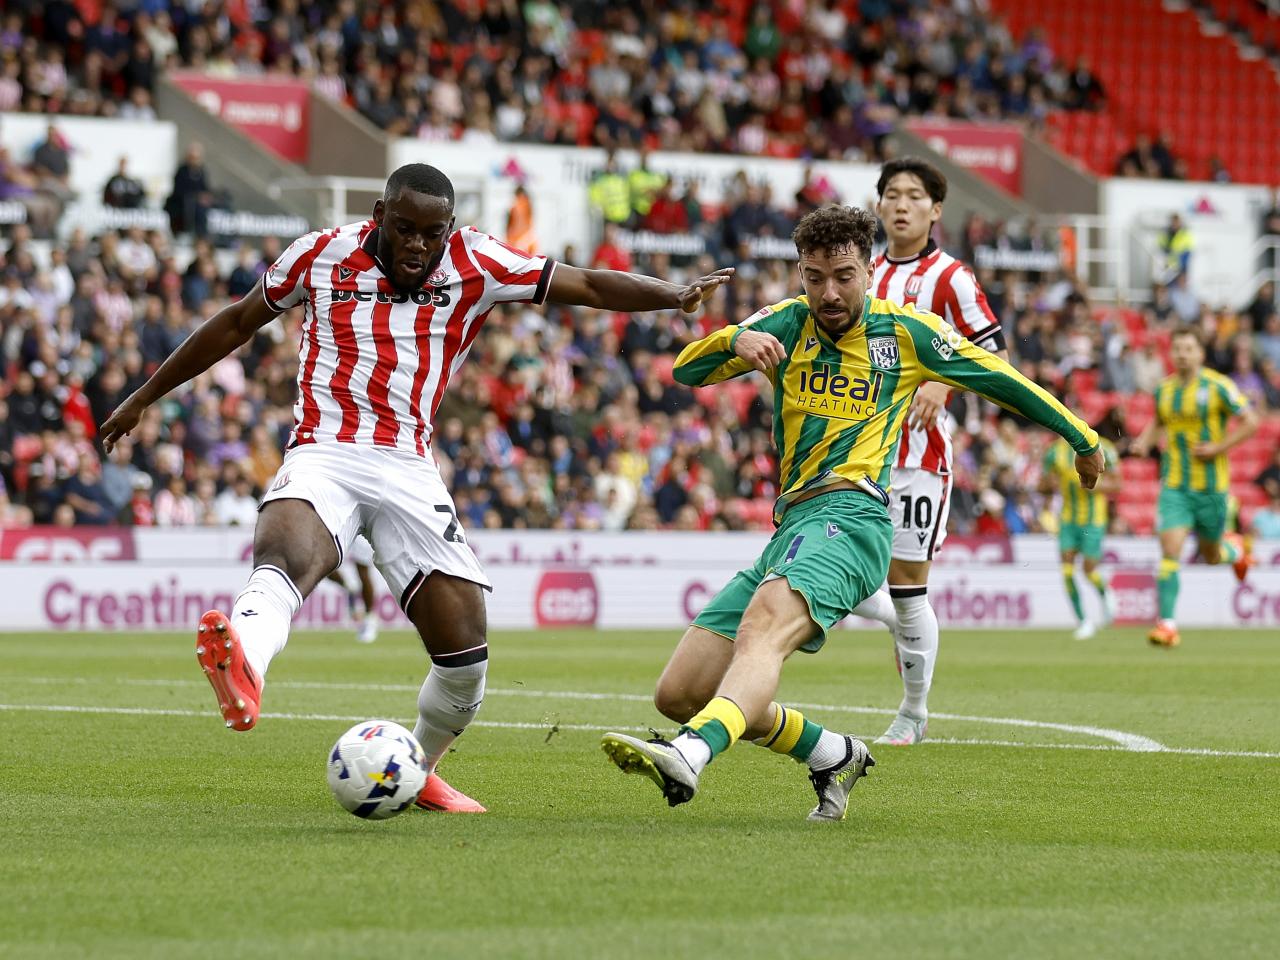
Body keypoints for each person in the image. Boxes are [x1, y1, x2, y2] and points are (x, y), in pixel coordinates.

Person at [101, 162, 733, 814]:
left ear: (449, 229)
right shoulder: (320, 254)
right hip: (327, 449)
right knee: (286, 550)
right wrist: (145, 395)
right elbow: (236, 322)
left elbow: (590, 284)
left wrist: (673, 294)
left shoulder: (476, 260)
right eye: (403, 229)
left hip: (408, 466)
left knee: (465, 661)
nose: (417, 247)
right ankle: (245, 664)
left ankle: (419, 767)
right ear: (379, 215)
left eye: (431, 234)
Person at [600, 205, 1105, 820]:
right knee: (681, 692)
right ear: (801, 273)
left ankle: (693, 754)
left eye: (843, 275)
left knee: (762, 630)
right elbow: (686, 370)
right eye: (814, 277)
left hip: (854, 517)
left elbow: (1000, 378)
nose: (829, 292)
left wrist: (1083, 439)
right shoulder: (784, 324)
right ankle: (831, 753)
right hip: (792, 525)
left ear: (868, 269)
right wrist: (733, 338)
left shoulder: (907, 333)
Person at [849, 157, 1008, 746]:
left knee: (909, 586)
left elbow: (996, 356)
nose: (900, 204)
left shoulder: (951, 278)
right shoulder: (860, 273)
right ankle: (899, 622)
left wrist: (943, 383)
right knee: (843, 582)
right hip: (854, 456)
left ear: (935, 210)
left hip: (919, 459)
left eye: (914, 196)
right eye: (891, 194)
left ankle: (913, 714)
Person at [1131, 328, 1258, 648]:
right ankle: (1168, 625)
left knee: (1212, 555)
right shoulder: (1164, 391)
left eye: (1189, 348)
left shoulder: (1219, 386)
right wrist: (1145, 441)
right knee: (1169, 549)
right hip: (1175, 485)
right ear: (1171, 354)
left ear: (1201, 353)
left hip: (1211, 488)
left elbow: (1252, 421)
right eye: (1178, 349)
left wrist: (1219, 447)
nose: (1183, 354)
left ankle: (1236, 551)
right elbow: (1160, 421)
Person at [1039, 432, 1119, 640]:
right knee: (1066, 570)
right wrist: (1048, 485)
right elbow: (1042, 485)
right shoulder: (1054, 452)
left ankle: (1105, 592)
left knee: (1088, 570)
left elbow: (1118, 484)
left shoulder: (1105, 447)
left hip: (1093, 520)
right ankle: (1084, 621)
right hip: (1067, 520)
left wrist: (1096, 486)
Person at [324, 534, 381, 644]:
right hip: (339, 521)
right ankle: (349, 588)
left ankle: (369, 620)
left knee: (362, 570)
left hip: (361, 524)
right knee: (325, 562)